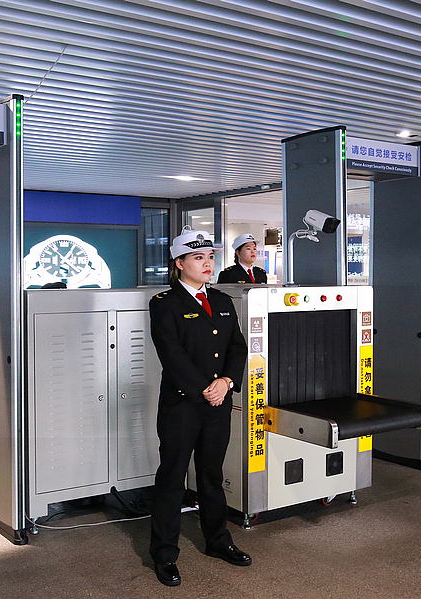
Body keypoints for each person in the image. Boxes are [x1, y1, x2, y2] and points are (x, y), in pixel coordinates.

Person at [147, 227, 251, 587]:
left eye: (209, 257)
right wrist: (205, 389)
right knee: (172, 476)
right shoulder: (164, 303)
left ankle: (218, 541)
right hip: (182, 405)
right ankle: (164, 554)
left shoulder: (221, 300)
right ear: (179, 263)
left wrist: (227, 382)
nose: (207, 264)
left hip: (219, 403)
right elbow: (171, 354)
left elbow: (237, 347)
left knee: (211, 475)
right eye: (198, 258)